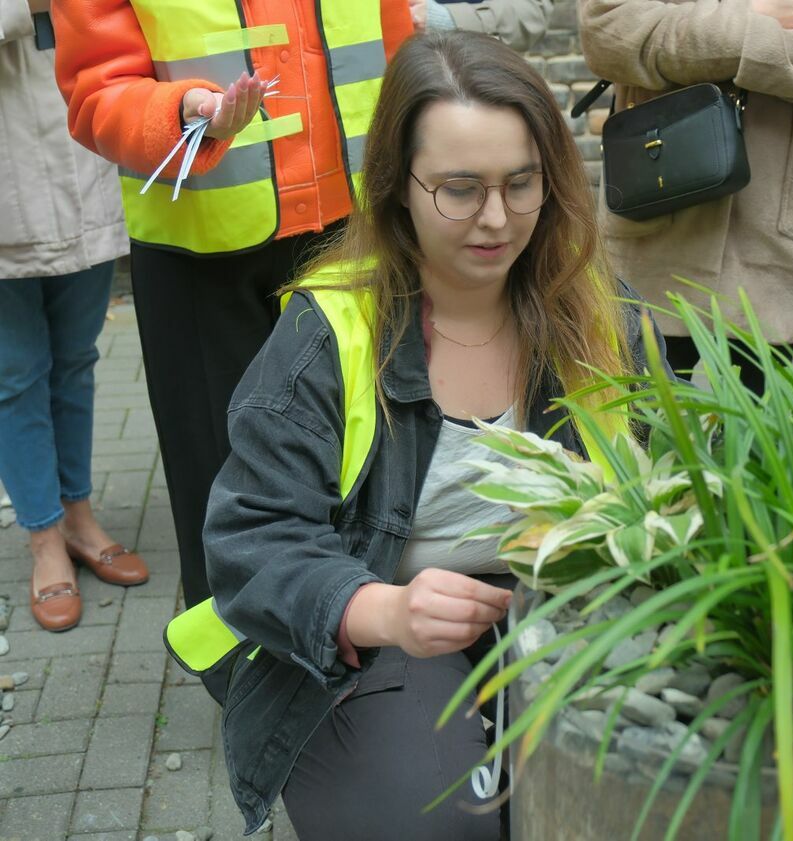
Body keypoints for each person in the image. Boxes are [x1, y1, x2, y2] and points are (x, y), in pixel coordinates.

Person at [197, 31, 667, 837]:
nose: (497, 219)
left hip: (567, 608)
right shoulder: (328, 331)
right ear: (397, 187)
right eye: (460, 189)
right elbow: (252, 539)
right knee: (436, 819)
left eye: (522, 184)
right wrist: (381, 609)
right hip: (386, 628)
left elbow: (672, 467)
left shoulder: (598, 308)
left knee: (623, 800)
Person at [51, 0, 550, 629]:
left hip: (361, 226)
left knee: (371, 459)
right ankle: (240, 677)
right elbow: (97, 90)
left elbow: (398, 45)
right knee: (222, 490)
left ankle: (362, 642)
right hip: (204, 252)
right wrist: (185, 112)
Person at [577, 0, 793, 393]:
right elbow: (609, 30)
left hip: (777, 230)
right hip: (658, 218)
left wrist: (710, 44)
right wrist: (752, 23)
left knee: (758, 431)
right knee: (643, 423)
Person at [0, 0, 149, 632]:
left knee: (77, 360)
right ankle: (43, 538)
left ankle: (79, 515)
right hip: (9, 177)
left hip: (86, 164)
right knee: (15, 373)